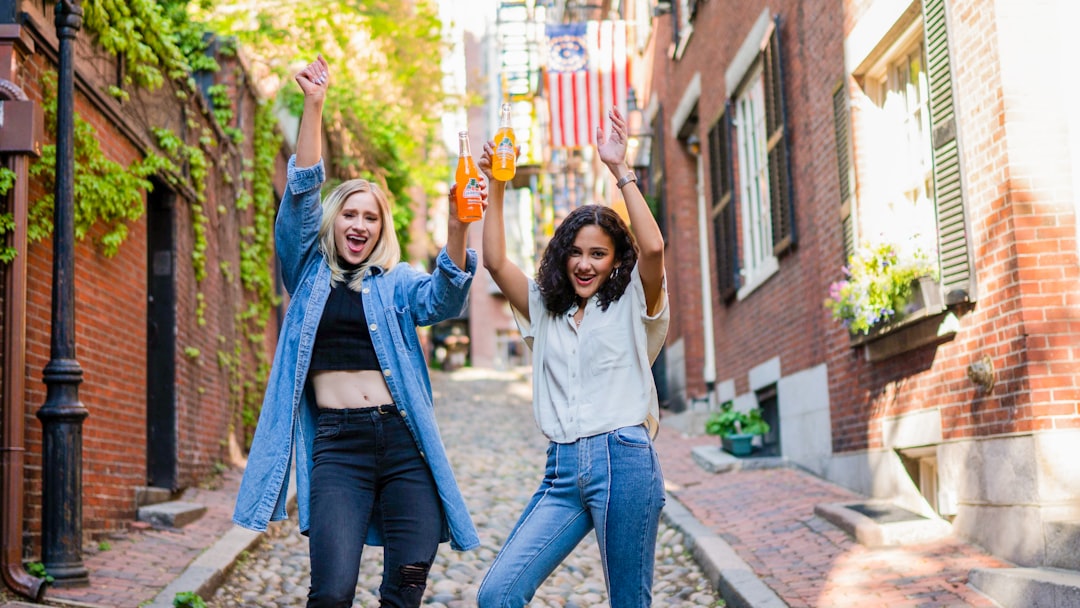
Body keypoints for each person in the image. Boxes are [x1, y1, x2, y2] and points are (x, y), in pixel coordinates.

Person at [232, 55, 483, 607]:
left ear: (380, 230)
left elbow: (444, 297)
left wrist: (458, 224)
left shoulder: (395, 283)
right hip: (338, 448)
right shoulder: (306, 273)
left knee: (406, 587)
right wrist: (314, 105)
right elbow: (300, 196)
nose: (360, 225)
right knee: (333, 592)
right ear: (333, 222)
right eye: (350, 214)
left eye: (371, 218)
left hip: (403, 444)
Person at [476, 106, 670, 607]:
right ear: (563, 255)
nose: (585, 263)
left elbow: (653, 249)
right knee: (498, 594)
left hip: (623, 460)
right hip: (562, 468)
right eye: (576, 252)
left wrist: (620, 170)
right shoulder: (546, 310)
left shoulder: (632, 301)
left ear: (613, 261)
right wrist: (498, 182)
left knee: (629, 602)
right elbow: (495, 262)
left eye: (598, 253)